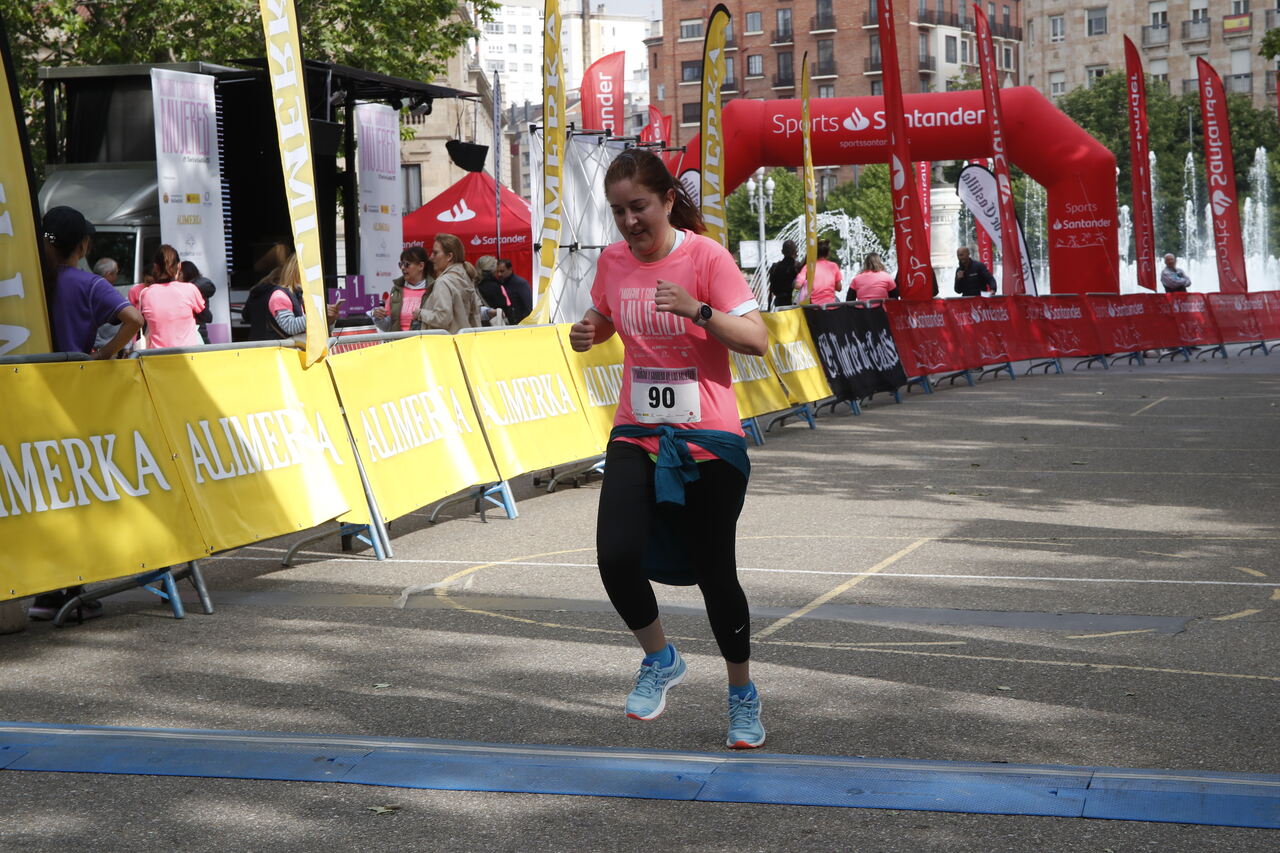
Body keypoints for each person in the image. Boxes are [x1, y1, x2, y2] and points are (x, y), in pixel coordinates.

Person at [568, 148, 769, 749]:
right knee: (615, 555)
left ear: (666, 202)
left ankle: (742, 695)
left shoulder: (706, 257)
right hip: (638, 430)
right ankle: (661, 658)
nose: (629, 221)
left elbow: (757, 339)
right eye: (618, 211)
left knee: (715, 574)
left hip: (709, 437)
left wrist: (697, 310)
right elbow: (605, 315)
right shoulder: (612, 261)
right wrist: (589, 331)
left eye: (639, 207)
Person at [30, 206, 143, 621]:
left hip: (26, 399)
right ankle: (70, 591)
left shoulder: (28, 282)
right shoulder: (88, 283)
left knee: (38, 495)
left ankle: (41, 591)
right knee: (74, 493)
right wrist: (104, 355)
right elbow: (134, 318)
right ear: (83, 245)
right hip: (74, 401)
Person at [242, 252, 340, 341]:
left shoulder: (302, 295)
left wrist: (329, 320)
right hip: (277, 354)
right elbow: (290, 327)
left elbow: (317, 329)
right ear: (298, 272)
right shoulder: (279, 296)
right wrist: (318, 315)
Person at [134, 245, 205, 348]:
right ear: (179, 266)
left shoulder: (146, 294)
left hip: (157, 358)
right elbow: (205, 317)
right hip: (188, 358)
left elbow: (143, 328)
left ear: (156, 267)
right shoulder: (190, 289)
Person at [420, 234, 481, 333]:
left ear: (449, 256)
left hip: (446, 344)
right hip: (466, 342)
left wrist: (420, 314)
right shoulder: (466, 277)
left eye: (435, 253)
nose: (431, 257)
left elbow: (442, 318)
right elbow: (476, 314)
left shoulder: (443, 282)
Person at [371, 246, 432, 332]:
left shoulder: (433, 289)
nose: (403, 267)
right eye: (401, 264)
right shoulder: (396, 290)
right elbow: (388, 326)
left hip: (423, 342)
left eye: (407, 264)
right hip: (398, 342)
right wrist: (378, 318)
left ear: (421, 266)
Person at [793, 239, 842, 305]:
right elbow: (839, 288)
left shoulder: (808, 267)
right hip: (831, 307)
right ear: (828, 254)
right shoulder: (834, 266)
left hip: (814, 308)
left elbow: (798, 286)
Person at [178, 260, 217, 343]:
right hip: (191, 332)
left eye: (180, 274)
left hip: (197, 332)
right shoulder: (191, 288)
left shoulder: (197, 287)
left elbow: (207, 316)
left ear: (187, 273)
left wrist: (186, 290)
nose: (177, 277)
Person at [472, 255, 509, 326]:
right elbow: (503, 307)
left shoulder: (474, 284)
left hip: (478, 324)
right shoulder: (494, 286)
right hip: (493, 323)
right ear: (493, 269)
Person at [494, 257, 533, 324]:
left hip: (520, 323)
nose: (499, 274)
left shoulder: (521, 284)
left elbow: (528, 306)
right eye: (497, 272)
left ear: (510, 269)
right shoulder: (499, 283)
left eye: (502, 271)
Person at [766, 240, 799, 309]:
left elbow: (771, 289)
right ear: (795, 251)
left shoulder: (775, 267)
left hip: (779, 302)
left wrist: (769, 307)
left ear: (782, 251)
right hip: (794, 302)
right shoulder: (797, 266)